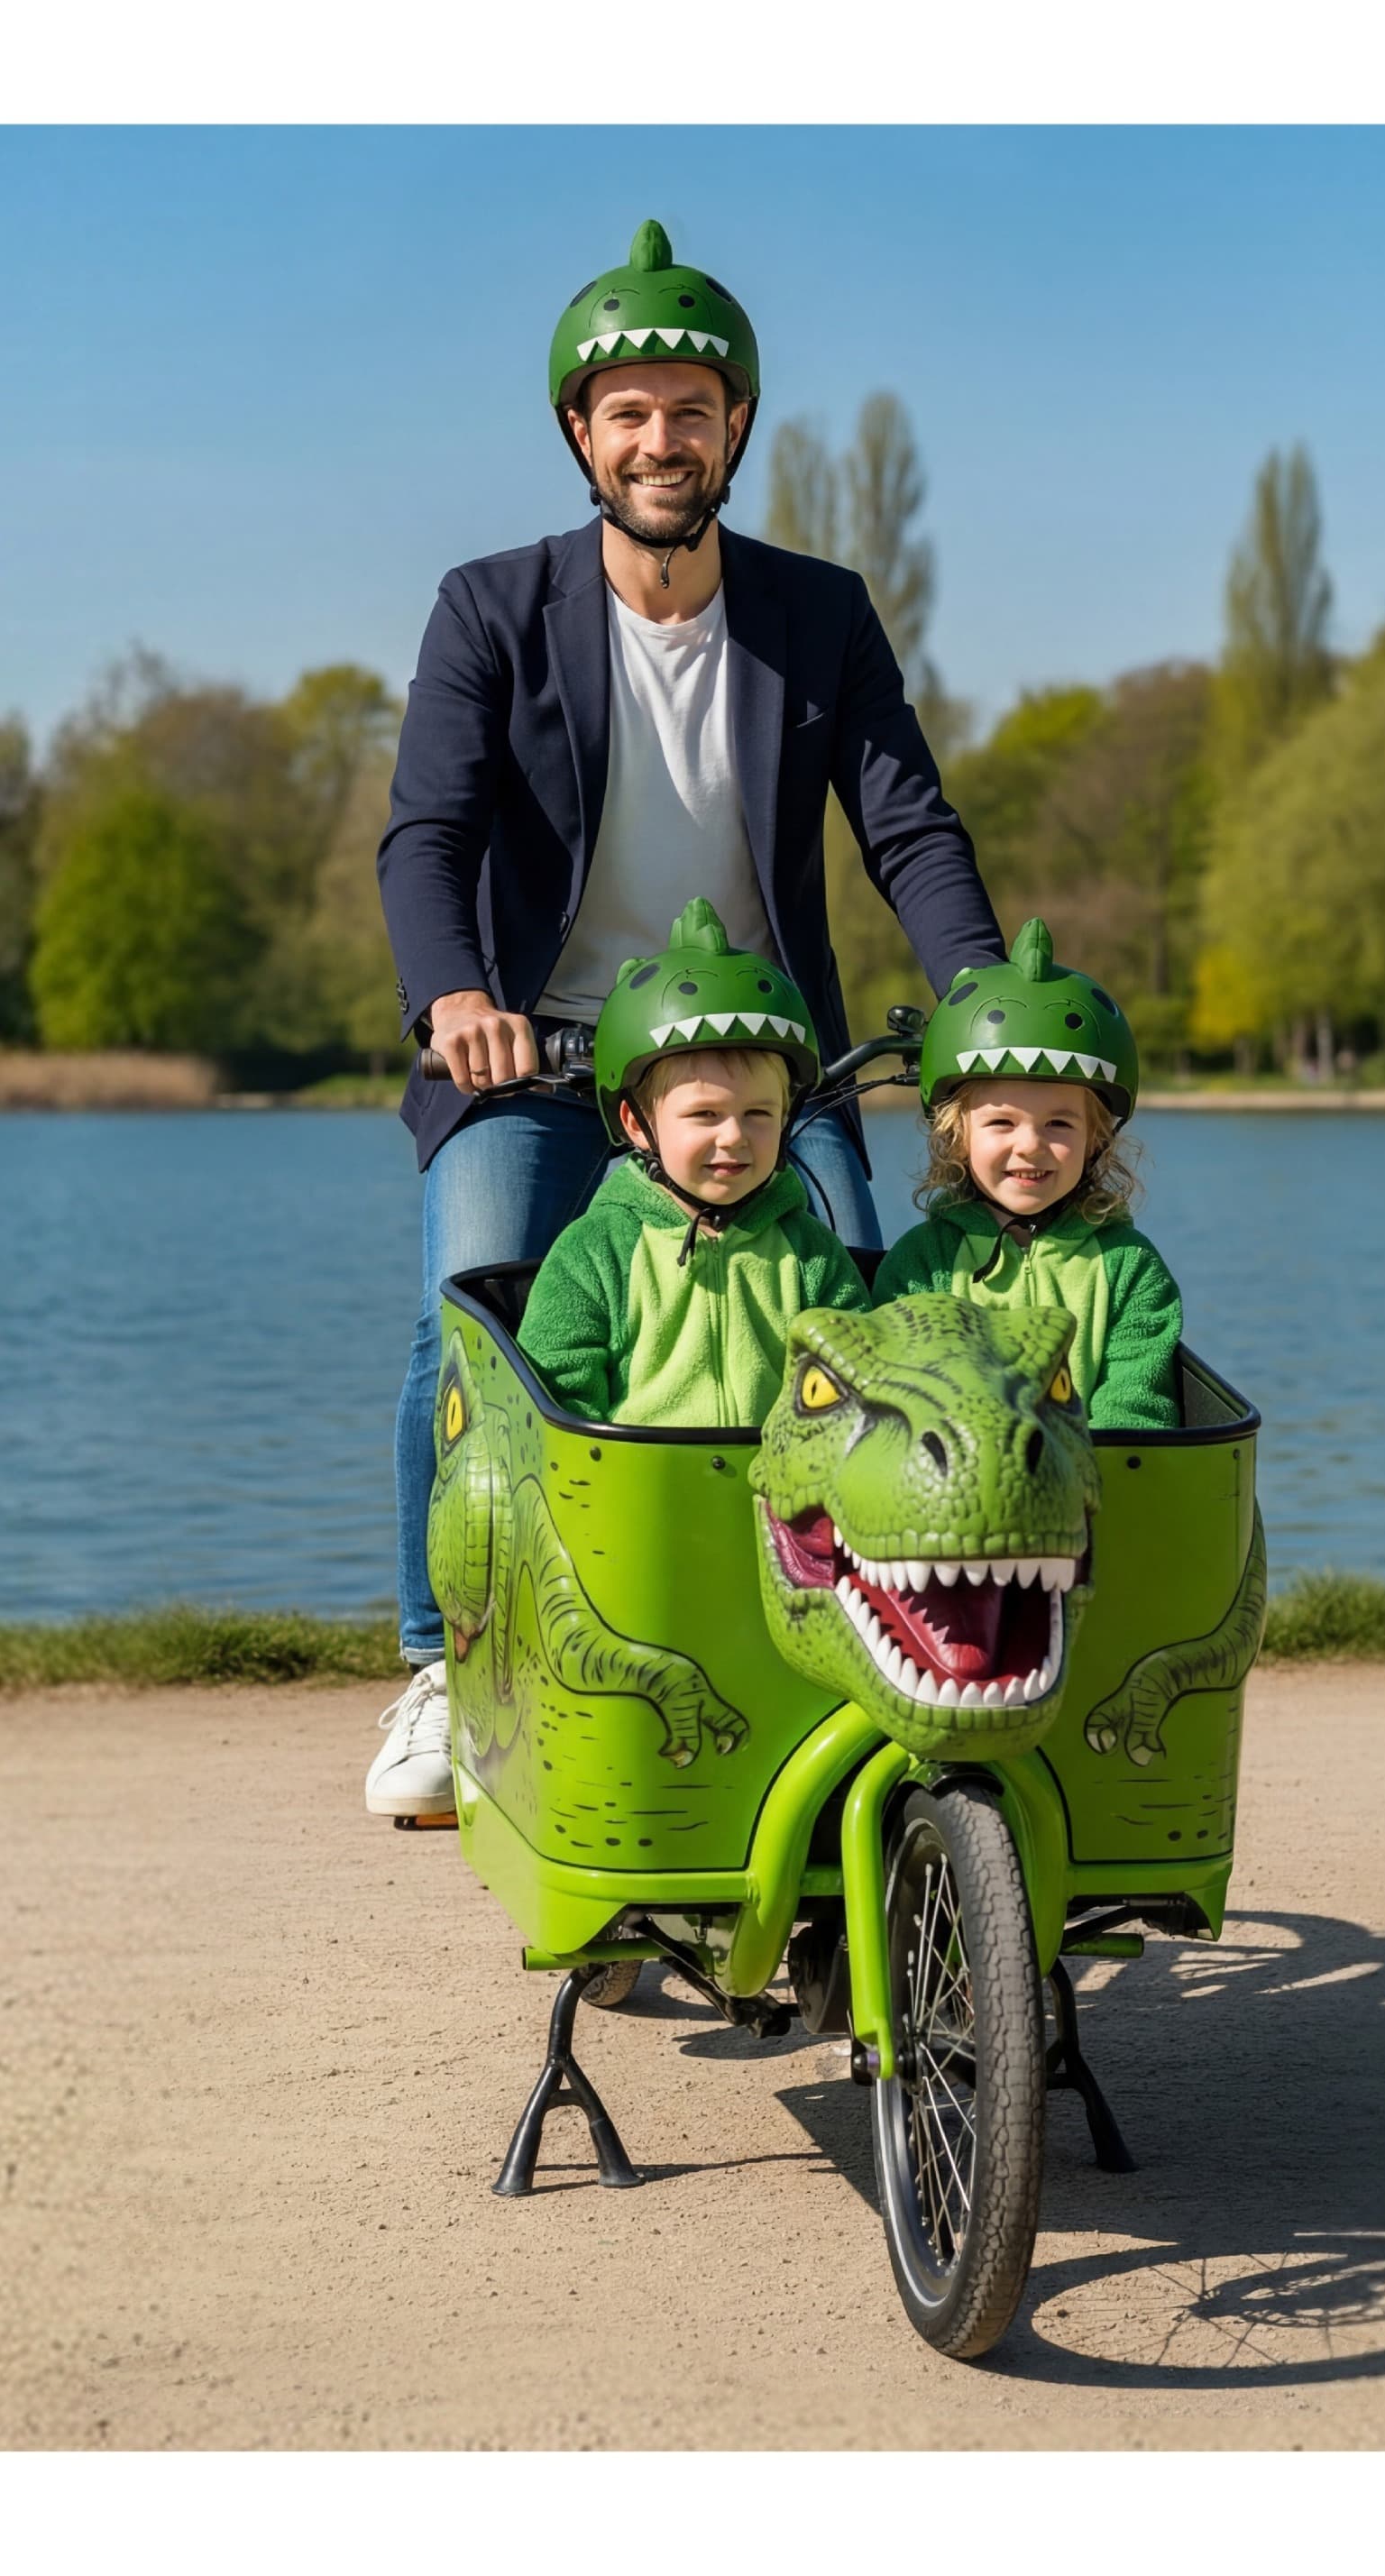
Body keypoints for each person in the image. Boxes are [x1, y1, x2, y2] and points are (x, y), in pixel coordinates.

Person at [366, 222, 1004, 1821]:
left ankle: (870, 1622)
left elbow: (907, 827)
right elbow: (424, 837)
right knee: (481, 1315)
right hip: (543, 1054)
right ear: (582, 436)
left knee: (870, 1320)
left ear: (737, 428)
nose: (664, 439)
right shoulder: (491, 611)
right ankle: (445, 1658)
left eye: (693, 408)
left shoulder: (819, 616)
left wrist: (980, 993)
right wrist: (455, 997)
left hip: (762, 1069)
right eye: (629, 411)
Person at [507, 907, 871, 1430]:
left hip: (775, 1498)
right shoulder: (593, 1253)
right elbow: (560, 1397)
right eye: (705, 1114)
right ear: (637, 1123)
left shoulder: (812, 1254)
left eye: (759, 1114)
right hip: (636, 1498)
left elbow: (856, 1384)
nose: (734, 1137)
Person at [875, 951, 1190, 1432]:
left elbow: (1136, 1406)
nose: (1031, 1146)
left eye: (1059, 1123)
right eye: (1002, 1122)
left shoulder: (1131, 1267)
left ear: (1096, 1137)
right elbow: (898, 1401)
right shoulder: (922, 1263)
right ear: (958, 1135)